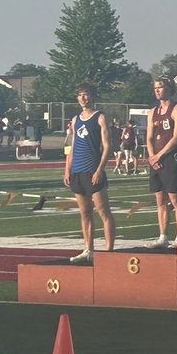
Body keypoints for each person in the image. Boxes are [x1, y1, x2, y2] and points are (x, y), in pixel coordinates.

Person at [63, 83, 116, 263]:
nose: (83, 98)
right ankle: (88, 249)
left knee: (103, 212)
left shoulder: (100, 117)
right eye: (80, 95)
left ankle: (109, 250)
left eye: (86, 95)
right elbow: (72, 146)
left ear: (92, 97)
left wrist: (100, 170)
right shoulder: (75, 119)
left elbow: (107, 146)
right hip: (77, 171)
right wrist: (67, 169)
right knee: (85, 212)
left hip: (93, 170)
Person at [144, 78, 177, 248]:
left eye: (160, 87)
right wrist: (151, 156)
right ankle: (163, 236)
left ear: (169, 88)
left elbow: (176, 137)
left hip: (170, 158)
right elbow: (148, 137)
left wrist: (160, 155)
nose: (157, 90)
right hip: (156, 159)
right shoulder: (152, 112)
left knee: (175, 199)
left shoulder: (176, 109)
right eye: (155, 88)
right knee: (160, 200)